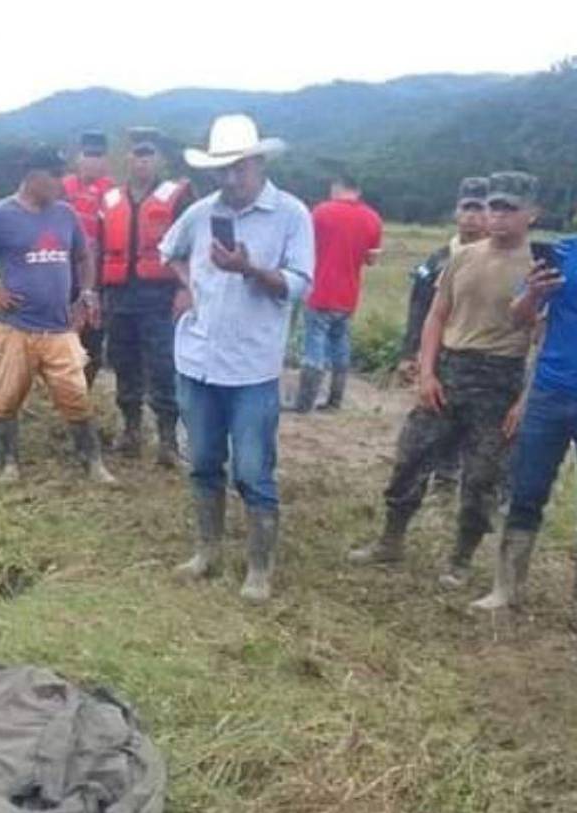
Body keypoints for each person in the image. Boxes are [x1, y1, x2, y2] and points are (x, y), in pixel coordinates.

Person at [349, 172, 540, 588]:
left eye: (510, 208)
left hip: (501, 376)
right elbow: (437, 315)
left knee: (481, 479)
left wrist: (524, 401)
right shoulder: (463, 257)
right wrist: (428, 370)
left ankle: (460, 559)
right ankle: (390, 540)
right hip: (450, 370)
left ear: (532, 214)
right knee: (410, 458)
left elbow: (544, 342)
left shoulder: (539, 268)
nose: (498, 216)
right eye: (494, 206)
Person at [158, 114, 313, 601]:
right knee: (203, 460)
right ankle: (207, 552)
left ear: (258, 163)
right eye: (220, 170)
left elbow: (299, 285)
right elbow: (169, 250)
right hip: (198, 358)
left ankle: (259, 569)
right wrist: (190, 287)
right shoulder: (202, 212)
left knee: (251, 470)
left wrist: (249, 269)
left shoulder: (291, 214)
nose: (228, 179)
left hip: (252, 368)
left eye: (237, 169)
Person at [0, 145, 116, 485]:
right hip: (16, 327)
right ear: (32, 176)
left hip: (59, 328)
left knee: (76, 396)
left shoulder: (65, 215)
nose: (60, 182)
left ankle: (92, 462)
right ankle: (8, 462)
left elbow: (84, 257)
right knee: (7, 397)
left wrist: (86, 293)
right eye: (54, 175)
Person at [470, 236, 569, 611]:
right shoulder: (560, 255)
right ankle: (506, 588)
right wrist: (533, 293)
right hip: (550, 393)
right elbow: (518, 319)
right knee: (526, 491)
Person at [100, 127, 194, 465]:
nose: (142, 161)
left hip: (159, 294)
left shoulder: (178, 197)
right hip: (119, 294)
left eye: (149, 155)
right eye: (137, 155)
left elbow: (194, 245)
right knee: (124, 363)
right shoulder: (110, 199)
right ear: (128, 159)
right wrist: (95, 293)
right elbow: (99, 248)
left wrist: (186, 288)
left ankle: (168, 442)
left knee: (163, 365)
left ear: (159, 160)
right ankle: (131, 432)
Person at [397, 177, 490, 493]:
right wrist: (410, 354)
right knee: (431, 417)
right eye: (467, 208)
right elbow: (419, 308)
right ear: (456, 212)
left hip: (484, 359)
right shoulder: (437, 259)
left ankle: (455, 480)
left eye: (480, 209)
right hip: (438, 351)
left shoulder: (503, 259)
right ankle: (431, 479)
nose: (472, 217)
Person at [291, 173, 382, 412]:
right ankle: (335, 400)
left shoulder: (321, 212)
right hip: (348, 296)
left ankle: (304, 403)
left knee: (314, 347)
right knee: (340, 346)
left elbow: (301, 247)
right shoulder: (373, 218)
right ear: (358, 190)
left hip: (319, 292)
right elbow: (371, 259)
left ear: (336, 188)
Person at [62, 130, 115, 386]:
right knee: (61, 336)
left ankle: (83, 392)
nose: (93, 161)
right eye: (88, 155)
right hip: (61, 276)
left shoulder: (115, 195)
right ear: (78, 157)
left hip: (98, 279)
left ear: (106, 161)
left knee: (93, 338)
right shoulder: (61, 188)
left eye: (98, 156)